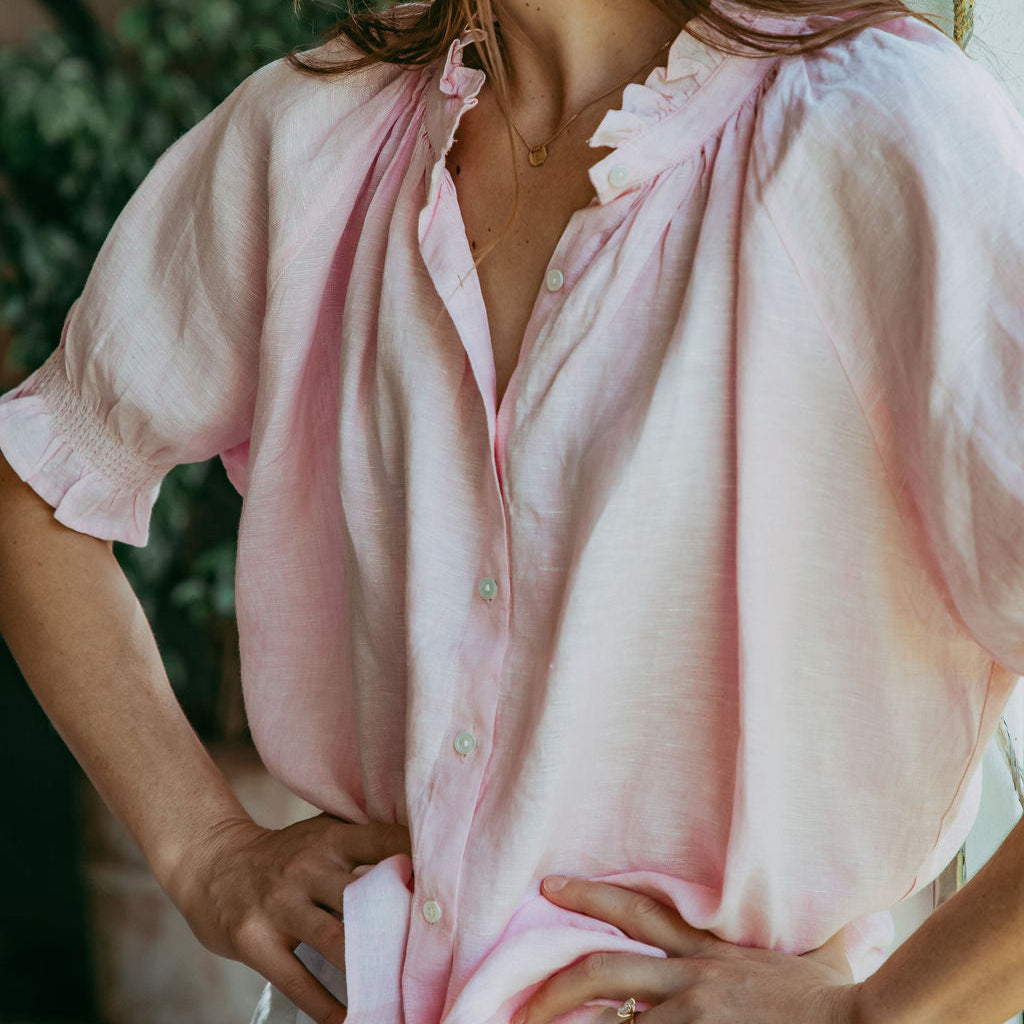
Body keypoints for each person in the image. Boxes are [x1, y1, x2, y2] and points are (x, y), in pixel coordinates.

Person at [2, 0, 1024, 1019]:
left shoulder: (878, 132)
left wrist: (875, 1012)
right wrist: (201, 846)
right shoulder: (318, 133)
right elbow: (34, 484)